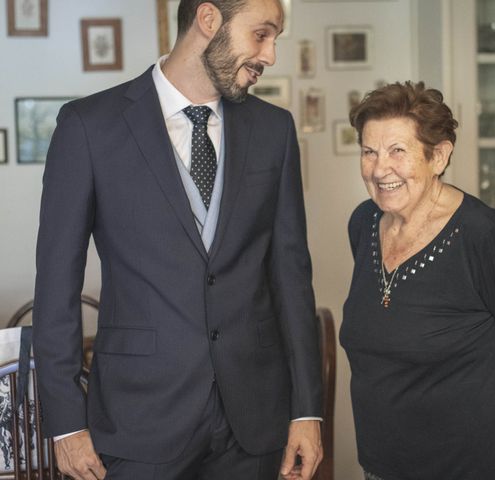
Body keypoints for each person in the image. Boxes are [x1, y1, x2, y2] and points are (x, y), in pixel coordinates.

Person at [32, 1, 323, 479]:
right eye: (261, 35)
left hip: (253, 422)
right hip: (138, 420)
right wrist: (65, 423)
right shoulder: (88, 126)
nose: (270, 55)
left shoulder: (274, 130)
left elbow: (292, 278)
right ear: (209, 20)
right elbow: (56, 287)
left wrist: (306, 410)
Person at [340, 81, 495, 480]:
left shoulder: (482, 234)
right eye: (369, 152)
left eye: (398, 151)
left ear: (439, 156)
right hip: (381, 467)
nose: (380, 169)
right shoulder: (364, 223)